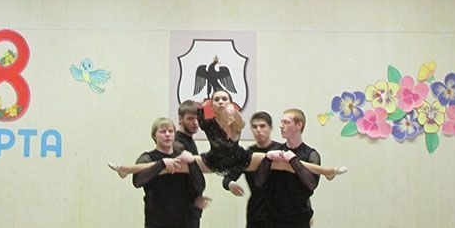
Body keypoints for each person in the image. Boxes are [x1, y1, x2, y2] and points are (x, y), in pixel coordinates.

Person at [110, 91, 346, 180]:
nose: (222, 102)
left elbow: (241, 123)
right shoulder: (208, 122)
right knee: (171, 164)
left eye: (225, 98)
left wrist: (232, 112)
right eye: (217, 99)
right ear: (212, 104)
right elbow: (195, 111)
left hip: (240, 158)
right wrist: (204, 105)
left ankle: (327, 171)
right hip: (213, 159)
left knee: (284, 162)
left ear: (231, 102)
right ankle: (126, 169)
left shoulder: (236, 120)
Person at [131, 117, 205, 228]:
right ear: (154, 135)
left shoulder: (182, 157)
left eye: (170, 131)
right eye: (162, 131)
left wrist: (191, 163)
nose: (167, 134)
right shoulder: (147, 157)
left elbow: (200, 186)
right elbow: (137, 181)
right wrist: (162, 164)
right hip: (156, 225)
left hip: (181, 225)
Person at [254, 108, 322, 228]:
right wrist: (267, 160)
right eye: (281, 122)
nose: (281, 125)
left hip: (298, 222)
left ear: (299, 125)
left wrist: (294, 161)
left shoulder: (310, 154)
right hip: (274, 221)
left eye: (286, 122)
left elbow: (311, 184)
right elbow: (258, 182)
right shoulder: (275, 152)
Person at [223, 111, 282, 228]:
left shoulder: (281, 150)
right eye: (255, 127)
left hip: (280, 216)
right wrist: (231, 184)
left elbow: (295, 185)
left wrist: (306, 207)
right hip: (256, 215)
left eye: (262, 126)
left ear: (270, 128)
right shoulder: (247, 155)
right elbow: (227, 178)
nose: (258, 130)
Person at [175, 100, 208, 228]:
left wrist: (198, 194)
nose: (195, 122)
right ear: (180, 119)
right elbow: (191, 175)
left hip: (191, 207)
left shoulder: (188, 140)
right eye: (190, 118)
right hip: (182, 210)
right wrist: (198, 192)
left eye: (197, 119)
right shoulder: (177, 143)